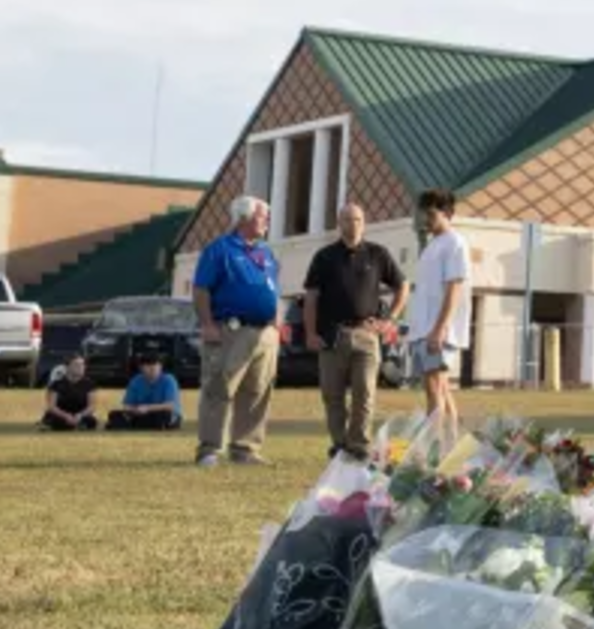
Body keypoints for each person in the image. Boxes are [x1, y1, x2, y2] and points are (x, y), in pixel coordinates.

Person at [303, 203, 409, 461]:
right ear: (339, 224)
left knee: (365, 393)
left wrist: (390, 319)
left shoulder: (377, 254)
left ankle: (359, 444)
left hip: (366, 335)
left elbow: (402, 285)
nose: (353, 224)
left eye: (358, 219)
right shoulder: (324, 256)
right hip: (332, 335)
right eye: (348, 220)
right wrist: (310, 333)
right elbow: (311, 298)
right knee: (333, 395)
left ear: (365, 223)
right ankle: (340, 445)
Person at [191, 195, 284, 468]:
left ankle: (245, 448)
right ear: (243, 218)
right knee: (219, 387)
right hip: (231, 329)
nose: (267, 221)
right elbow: (201, 289)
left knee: (258, 391)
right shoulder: (219, 249)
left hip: (265, 333)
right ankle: (209, 449)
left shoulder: (266, 252)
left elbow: (273, 288)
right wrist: (207, 324)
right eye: (261, 216)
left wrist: (276, 320)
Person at [404, 188, 470, 436]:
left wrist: (439, 329)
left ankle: (436, 447)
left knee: (434, 388)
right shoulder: (432, 245)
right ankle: (452, 444)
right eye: (423, 214)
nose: (425, 220)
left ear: (448, 213)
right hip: (423, 329)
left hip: (437, 331)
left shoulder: (455, 242)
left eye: (431, 214)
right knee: (440, 388)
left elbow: (454, 287)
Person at [108, 354, 183, 430]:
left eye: (155, 365)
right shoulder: (136, 381)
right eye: (148, 365)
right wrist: (136, 410)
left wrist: (148, 408)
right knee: (113, 414)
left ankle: (131, 425)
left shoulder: (169, 380)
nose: (152, 368)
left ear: (161, 367)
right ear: (141, 368)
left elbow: (170, 406)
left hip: (163, 414)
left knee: (163, 415)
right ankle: (137, 424)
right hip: (141, 414)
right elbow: (127, 406)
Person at [38, 355, 99, 431]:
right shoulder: (56, 384)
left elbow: (91, 406)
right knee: (56, 421)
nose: (81, 367)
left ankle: (76, 424)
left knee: (91, 421)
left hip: (80, 414)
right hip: (61, 414)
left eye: (83, 364)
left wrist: (79, 415)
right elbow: (52, 407)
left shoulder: (89, 384)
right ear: (68, 367)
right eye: (77, 365)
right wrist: (66, 416)